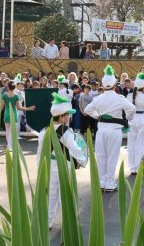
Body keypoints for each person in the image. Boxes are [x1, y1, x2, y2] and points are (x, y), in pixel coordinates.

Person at [37, 93, 87, 228]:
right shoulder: (66, 132)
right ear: (61, 116)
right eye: (67, 114)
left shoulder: (43, 131)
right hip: (64, 165)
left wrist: (40, 170)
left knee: (51, 195)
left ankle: (48, 221)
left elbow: (40, 154)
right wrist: (82, 160)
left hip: (50, 165)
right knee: (65, 194)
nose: (69, 117)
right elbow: (75, 148)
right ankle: (68, 222)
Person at [84, 65, 136, 191]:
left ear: (103, 85)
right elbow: (132, 109)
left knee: (101, 157)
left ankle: (101, 183)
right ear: (114, 85)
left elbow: (87, 110)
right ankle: (110, 183)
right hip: (114, 131)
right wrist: (128, 119)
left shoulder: (98, 98)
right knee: (112, 157)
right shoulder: (119, 98)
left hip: (101, 130)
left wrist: (98, 117)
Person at [126, 73, 144, 175]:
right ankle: (137, 166)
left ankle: (132, 168)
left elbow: (126, 109)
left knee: (131, 143)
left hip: (132, 119)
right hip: (143, 119)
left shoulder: (129, 96)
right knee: (140, 144)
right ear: (143, 87)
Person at [0, 80, 35, 150]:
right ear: (14, 87)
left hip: (6, 113)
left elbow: (1, 107)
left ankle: (8, 145)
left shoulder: (4, 95)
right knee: (12, 131)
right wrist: (28, 108)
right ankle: (10, 146)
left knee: (7, 130)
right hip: (14, 113)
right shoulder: (16, 96)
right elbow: (19, 107)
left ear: (7, 87)